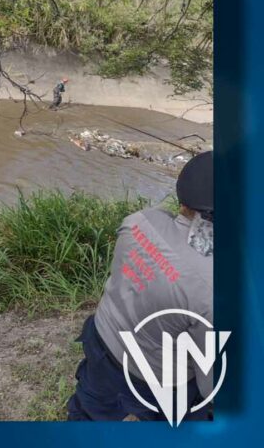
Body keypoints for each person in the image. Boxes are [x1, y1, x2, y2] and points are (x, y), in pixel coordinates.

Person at [67, 150, 214, 421]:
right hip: (159, 381)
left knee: (88, 415)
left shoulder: (140, 220)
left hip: (103, 343)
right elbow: (210, 381)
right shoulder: (210, 288)